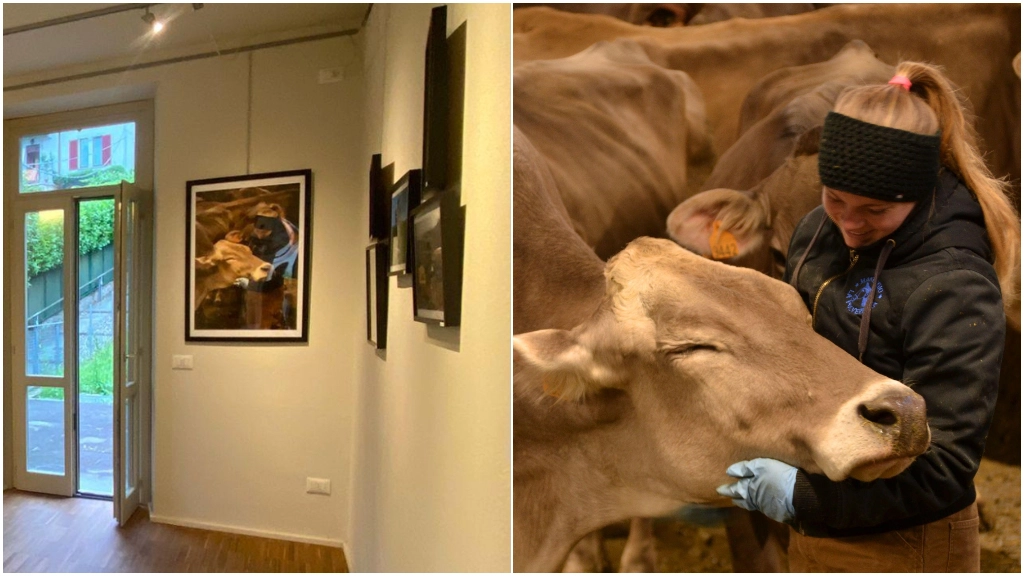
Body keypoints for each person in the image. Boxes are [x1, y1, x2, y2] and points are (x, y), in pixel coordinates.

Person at [716, 62, 1020, 572]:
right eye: (836, 198)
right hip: (821, 526)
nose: (851, 225)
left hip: (909, 542)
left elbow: (944, 468)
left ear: (918, 194)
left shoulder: (954, 287)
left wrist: (805, 498)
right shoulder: (816, 232)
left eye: (875, 211)